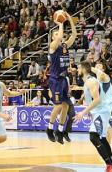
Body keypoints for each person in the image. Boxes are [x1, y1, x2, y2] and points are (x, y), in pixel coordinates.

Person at [75, 61, 112, 172]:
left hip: (102, 111)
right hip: (100, 111)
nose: (76, 70)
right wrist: (90, 110)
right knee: (102, 139)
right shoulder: (88, 82)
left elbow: (97, 99)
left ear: (84, 70)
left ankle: (110, 165)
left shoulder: (91, 81)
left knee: (93, 137)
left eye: (79, 68)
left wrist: (83, 112)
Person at [0, 68, 29, 168]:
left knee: (3, 138)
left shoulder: (1, 85)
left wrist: (20, 92)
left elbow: (9, 93)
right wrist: (3, 115)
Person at [46, 12, 77, 144]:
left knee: (65, 106)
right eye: (56, 34)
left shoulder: (64, 47)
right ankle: (49, 128)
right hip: (55, 79)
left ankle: (60, 130)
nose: (59, 36)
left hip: (63, 79)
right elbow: (58, 38)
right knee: (58, 106)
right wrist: (60, 24)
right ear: (52, 37)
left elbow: (74, 35)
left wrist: (69, 20)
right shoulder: (52, 47)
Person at [91, 62, 112, 158]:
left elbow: (99, 73)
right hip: (105, 107)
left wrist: (87, 67)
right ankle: (108, 150)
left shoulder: (104, 76)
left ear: (103, 69)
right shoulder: (94, 81)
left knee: (111, 128)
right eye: (97, 66)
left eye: (100, 66)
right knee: (104, 131)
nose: (98, 67)